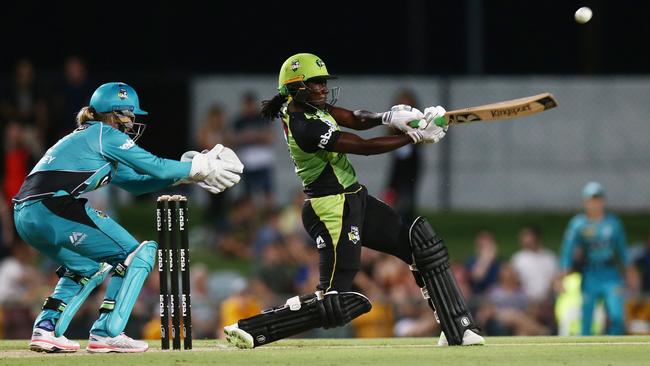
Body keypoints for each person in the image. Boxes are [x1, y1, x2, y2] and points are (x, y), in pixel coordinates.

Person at [223, 53, 483, 348]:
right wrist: (415, 136)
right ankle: (253, 329)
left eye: (323, 83)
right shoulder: (302, 125)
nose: (322, 88)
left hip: (354, 198)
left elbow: (353, 118)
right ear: (295, 87)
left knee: (420, 245)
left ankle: (458, 329)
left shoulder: (311, 107)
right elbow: (364, 147)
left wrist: (388, 117)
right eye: (316, 83)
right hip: (330, 209)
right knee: (336, 301)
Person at [12, 82, 243, 353]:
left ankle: (46, 329)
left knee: (87, 267)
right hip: (54, 207)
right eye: (129, 115)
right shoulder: (104, 134)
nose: (133, 122)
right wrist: (199, 166)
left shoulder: (91, 138)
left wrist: (185, 175)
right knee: (137, 254)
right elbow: (154, 165)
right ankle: (107, 333)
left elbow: (137, 183)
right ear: (114, 113)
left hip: (27, 215)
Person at [559, 181, 631, 335]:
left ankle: (615, 348)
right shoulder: (578, 224)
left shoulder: (613, 224)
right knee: (587, 316)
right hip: (590, 273)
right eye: (591, 200)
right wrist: (563, 274)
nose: (594, 204)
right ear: (585, 202)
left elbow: (623, 250)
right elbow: (567, 251)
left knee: (616, 315)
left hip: (610, 273)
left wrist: (629, 271)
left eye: (597, 199)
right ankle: (585, 353)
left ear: (603, 201)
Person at [383, 89, 423, 223]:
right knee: (391, 200)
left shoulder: (417, 127)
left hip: (410, 172)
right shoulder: (394, 129)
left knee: (407, 203)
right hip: (397, 173)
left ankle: (407, 228)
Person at [231, 92, 276, 208]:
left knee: (268, 192)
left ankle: (268, 215)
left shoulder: (263, 117)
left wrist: (253, 136)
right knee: (248, 194)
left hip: (263, 161)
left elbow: (270, 137)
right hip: (247, 162)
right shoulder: (239, 120)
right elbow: (233, 139)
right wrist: (246, 137)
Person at [511, 226, 558, 302]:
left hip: (547, 299)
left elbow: (555, 277)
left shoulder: (549, 257)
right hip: (525, 301)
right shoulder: (518, 258)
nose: (522, 239)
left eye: (526, 236)